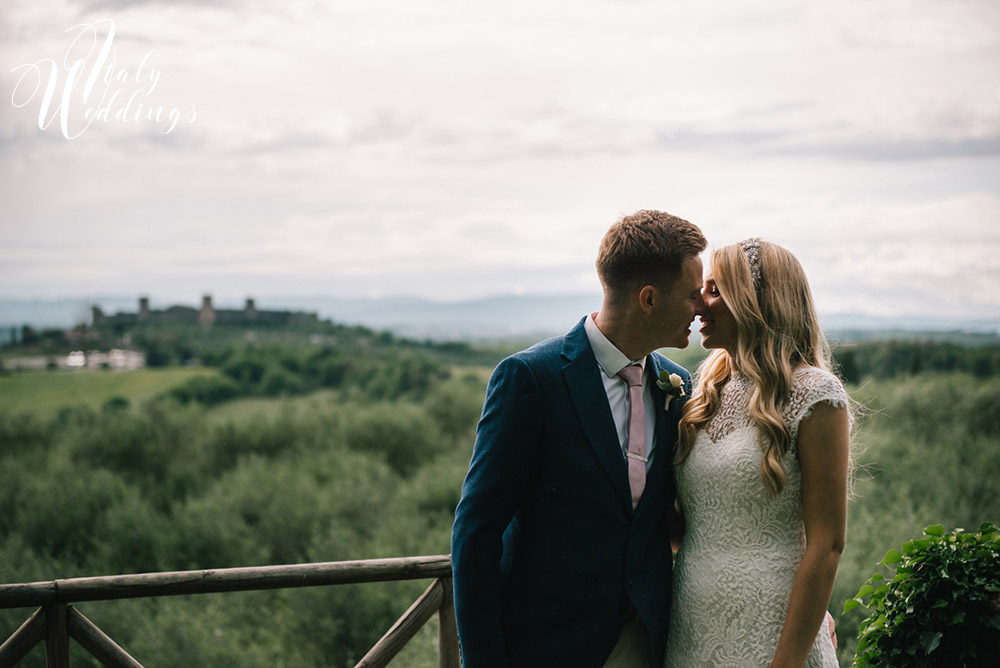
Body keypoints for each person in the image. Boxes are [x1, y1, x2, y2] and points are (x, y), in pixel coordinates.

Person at [451, 210, 708, 668]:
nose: (701, 307)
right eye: (692, 295)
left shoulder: (676, 383)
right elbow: (476, 530)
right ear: (648, 299)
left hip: (648, 641)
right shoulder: (531, 378)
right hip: (548, 643)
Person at [664, 238, 850, 668]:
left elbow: (827, 544)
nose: (698, 305)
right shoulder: (703, 394)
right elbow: (682, 526)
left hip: (772, 630)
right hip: (691, 623)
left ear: (755, 300)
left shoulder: (814, 393)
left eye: (714, 290)